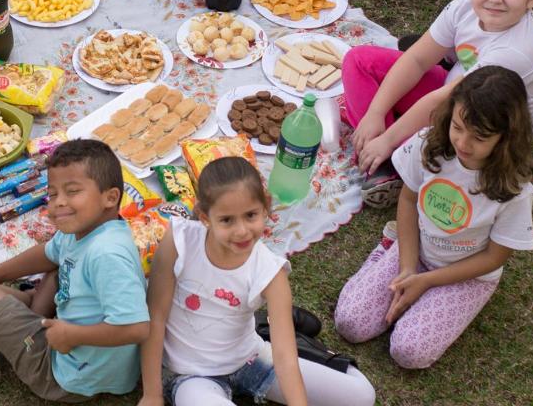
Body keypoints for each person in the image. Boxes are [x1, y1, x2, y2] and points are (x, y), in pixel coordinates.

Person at [334, 66, 533, 369]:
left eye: (479, 137)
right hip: (416, 250)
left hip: (467, 275)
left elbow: (494, 257)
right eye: (457, 127)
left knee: (408, 352)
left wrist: (426, 281)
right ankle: (389, 249)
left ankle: (427, 288)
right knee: (349, 324)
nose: (463, 143)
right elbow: (408, 198)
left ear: (506, 136)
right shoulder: (430, 143)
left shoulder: (514, 189)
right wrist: (406, 268)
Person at [138, 157, 375, 406]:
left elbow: (284, 357)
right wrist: (152, 394)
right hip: (192, 376)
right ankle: (266, 327)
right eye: (227, 220)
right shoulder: (179, 242)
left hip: (250, 359)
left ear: (266, 207)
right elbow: (155, 316)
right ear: (205, 217)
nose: (241, 230)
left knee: (361, 396)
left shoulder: (271, 272)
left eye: (250, 215)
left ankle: (279, 333)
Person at [344, 0, 533, 207]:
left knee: (450, 137)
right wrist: (375, 112)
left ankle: (390, 160)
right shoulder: (464, 7)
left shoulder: (518, 51)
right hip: (453, 91)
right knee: (358, 60)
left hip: (479, 132)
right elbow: (417, 60)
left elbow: (445, 101)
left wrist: (386, 139)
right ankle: (391, 156)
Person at [0, 140, 149, 402]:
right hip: (79, 347)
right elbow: (48, 253)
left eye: (72, 191)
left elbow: (137, 328)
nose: (59, 202)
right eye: (52, 194)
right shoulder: (86, 231)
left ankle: (11, 333)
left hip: (65, 373)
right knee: (46, 269)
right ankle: (33, 313)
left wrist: (72, 334)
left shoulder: (107, 255)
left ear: (111, 197)